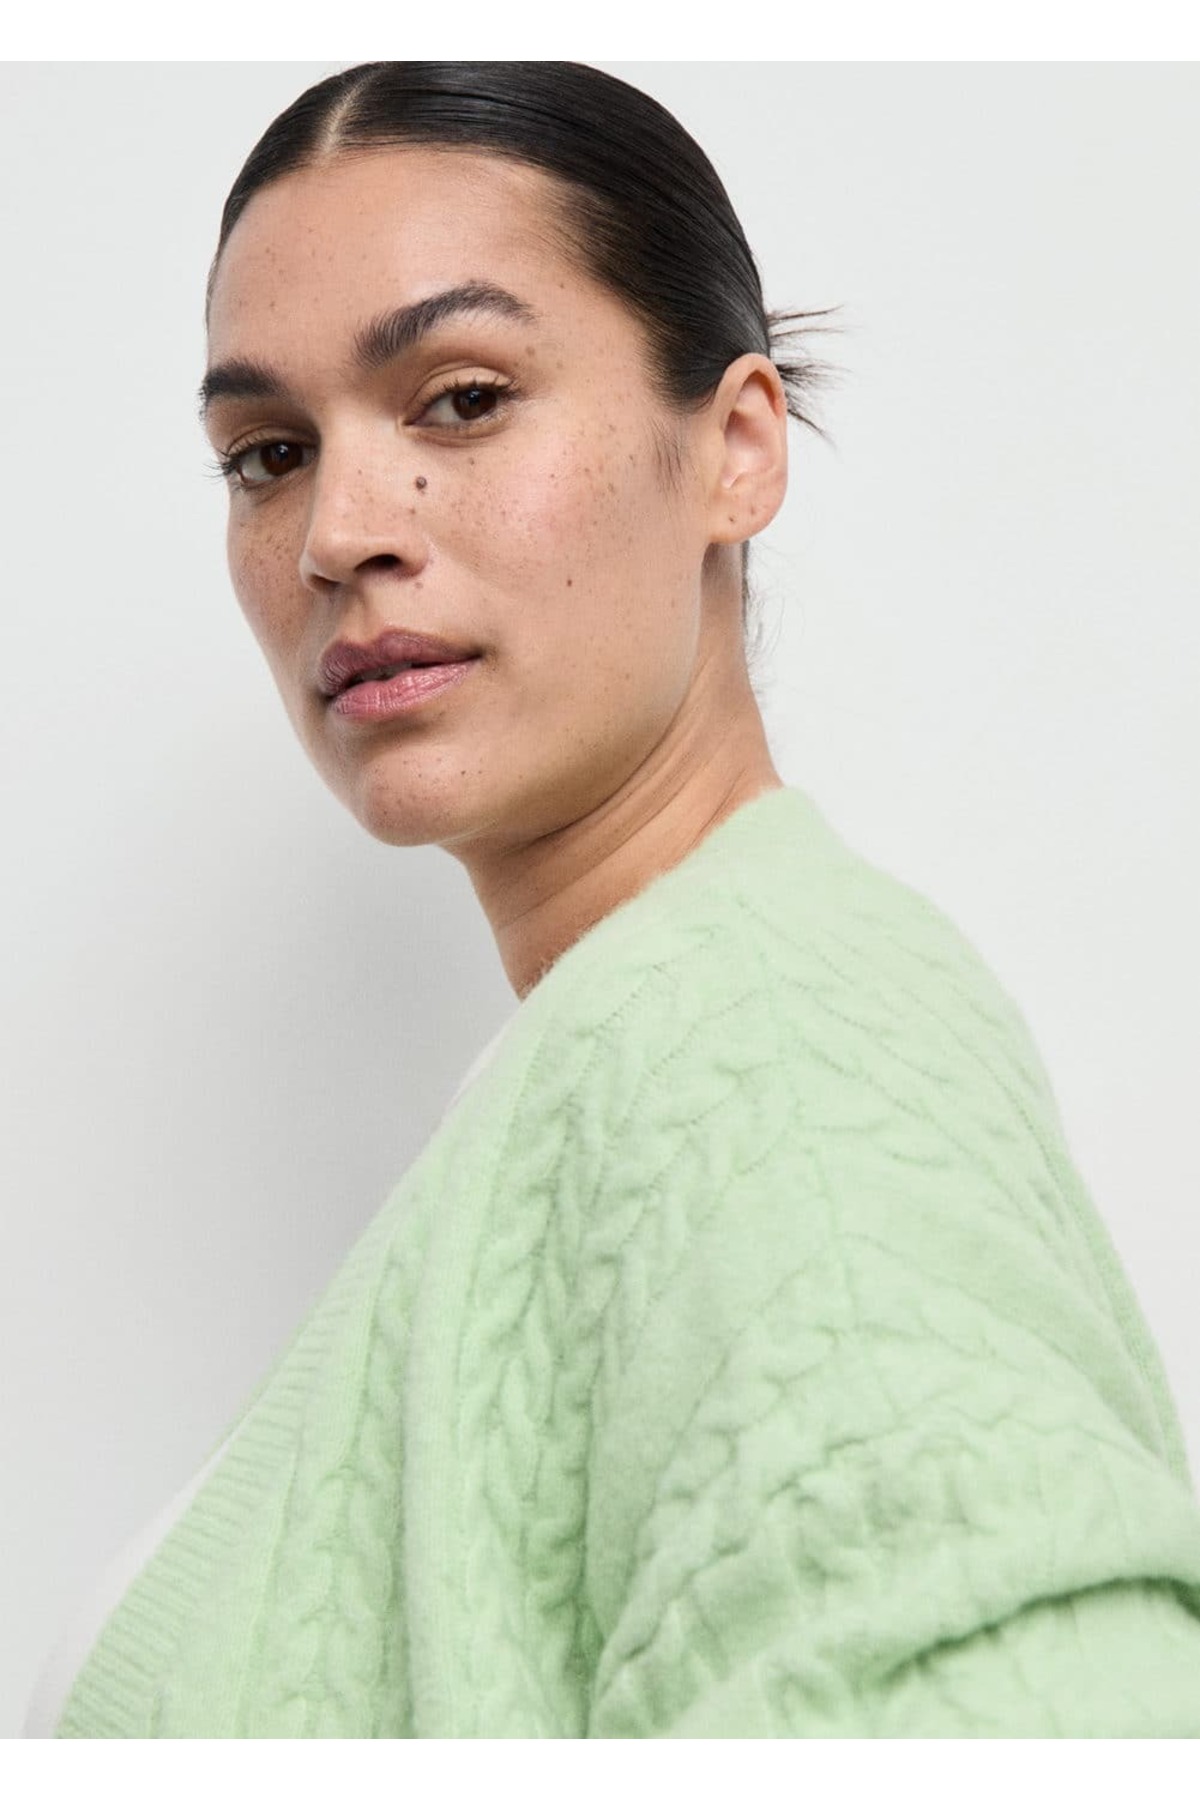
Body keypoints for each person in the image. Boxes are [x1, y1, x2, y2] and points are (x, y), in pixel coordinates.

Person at [33, 60, 1200, 1738]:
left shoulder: (763, 1049)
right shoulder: (613, 1076)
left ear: (736, 449)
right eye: (268, 452)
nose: (335, 533)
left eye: (461, 399)